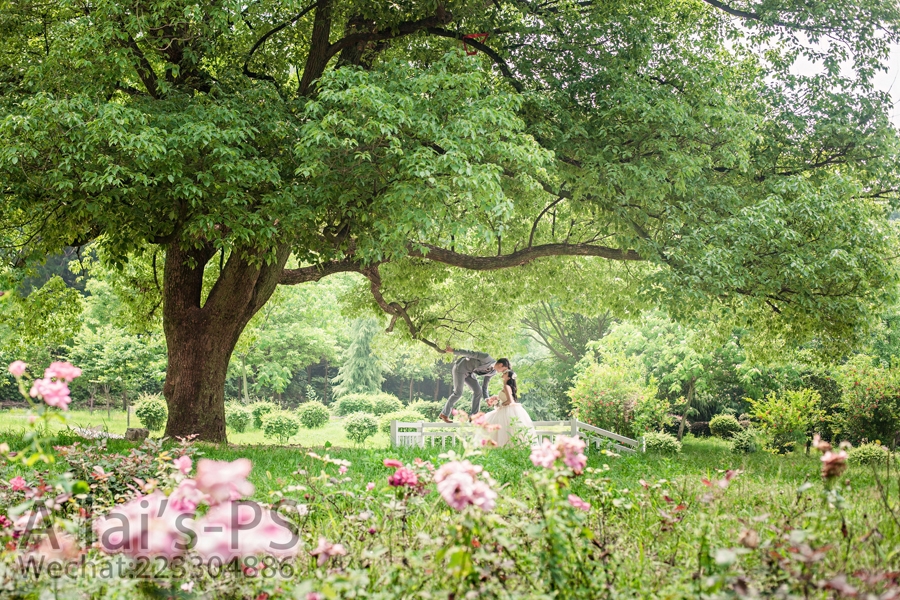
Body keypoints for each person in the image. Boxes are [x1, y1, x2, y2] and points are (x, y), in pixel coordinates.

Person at [439, 346, 510, 423]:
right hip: (460, 369)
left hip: (469, 373)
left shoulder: (493, 372)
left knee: (478, 391)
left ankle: (473, 417)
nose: (502, 372)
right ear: (501, 365)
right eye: (503, 370)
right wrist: (453, 350)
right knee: (458, 393)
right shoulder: (486, 357)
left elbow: (485, 386)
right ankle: (444, 414)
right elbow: (470, 353)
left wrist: (487, 399)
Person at [474, 369, 538, 448]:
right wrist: (497, 398)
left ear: (508, 377)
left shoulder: (506, 386)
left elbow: (510, 401)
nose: (503, 374)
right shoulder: (507, 386)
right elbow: (506, 398)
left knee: (503, 428)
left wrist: (501, 404)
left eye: (505, 373)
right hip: (507, 409)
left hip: (507, 410)